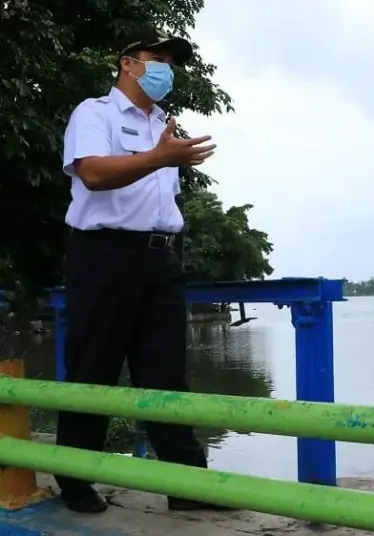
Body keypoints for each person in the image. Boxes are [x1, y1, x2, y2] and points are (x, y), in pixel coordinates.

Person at [55, 28, 228, 514]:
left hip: (161, 258)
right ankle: (77, 481)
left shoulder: (162, 127)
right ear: (128, 63)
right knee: (94, 371)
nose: (165, 70)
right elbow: (91, 172)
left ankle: (189, 488)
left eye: (172, 63)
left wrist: (163, 156)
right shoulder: (95, 113)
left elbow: (161, 199)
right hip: (105, 255)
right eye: (157, 58)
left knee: (169, 376)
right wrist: (160, 158)